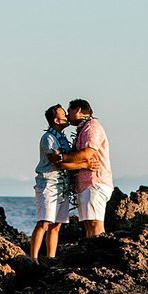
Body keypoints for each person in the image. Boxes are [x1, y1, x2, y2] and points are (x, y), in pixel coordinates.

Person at [50, 98, 113, 237]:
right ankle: (92, 256)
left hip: (95, 181)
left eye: (69, 111)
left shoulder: (92, 126)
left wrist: (62, 157)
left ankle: (99, 255)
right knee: (88, 225)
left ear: (78, 110)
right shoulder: (83, 128)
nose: (67, 115)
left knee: (95, 224)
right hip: (85, 184)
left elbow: (87, 153)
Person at [29, 104, 75, 261]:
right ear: (56, 119)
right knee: (43, 222)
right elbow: (55, 160)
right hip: (48, 184)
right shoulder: (48, 138)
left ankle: (51, 258)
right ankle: (33, 258)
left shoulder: (62, 139)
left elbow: (60, 157)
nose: (67, 117)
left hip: (62, 186)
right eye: (64, 114)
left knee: (57, 225)